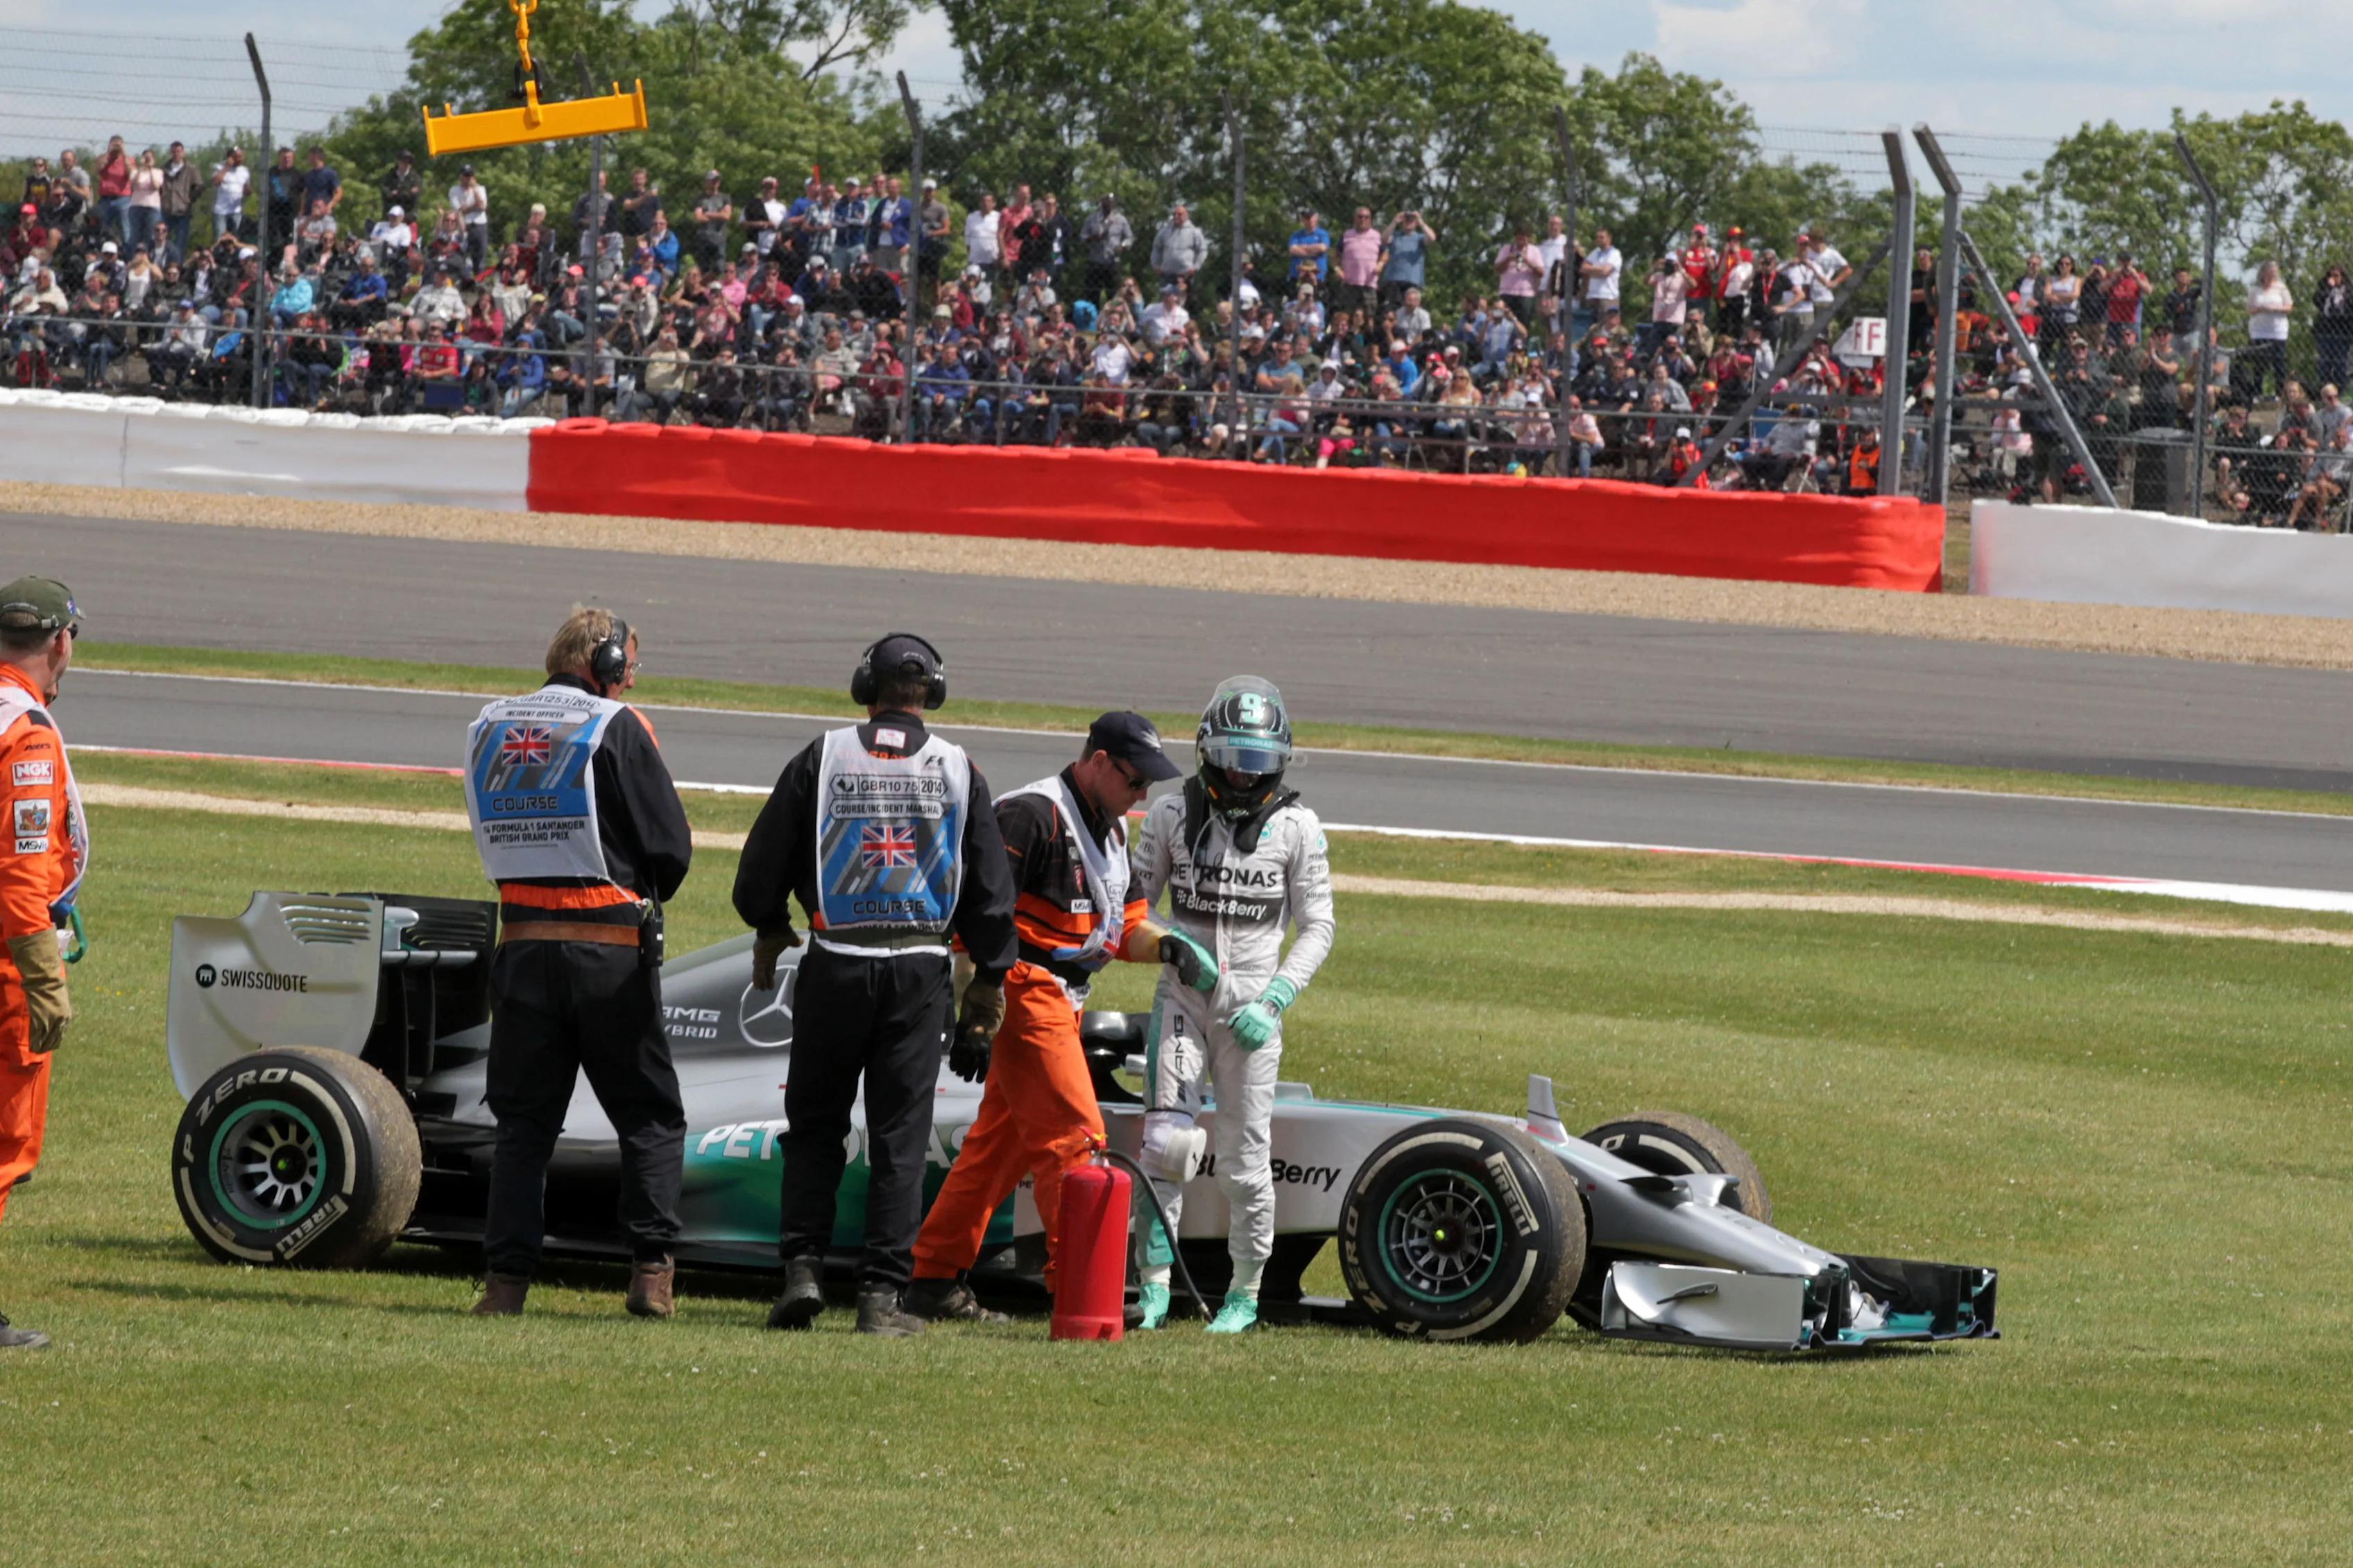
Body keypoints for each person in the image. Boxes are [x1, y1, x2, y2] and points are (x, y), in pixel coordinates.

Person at [733, 635, 1018, 1338]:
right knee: (898, 1137)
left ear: (866, 684)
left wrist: (770, 924)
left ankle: (802, 1269)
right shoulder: (958, 767)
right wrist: (986, 980)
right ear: (934, 693)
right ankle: (880, 1297)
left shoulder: (822, 755)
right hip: (918, 969)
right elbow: (990, 890)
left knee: (815, 1127)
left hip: (833, 958)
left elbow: (761, 861)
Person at [904, 714, 1212, 1321]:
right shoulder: (1030, 814)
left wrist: (1166, 944)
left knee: (1001, 1148)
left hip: (1062, 998)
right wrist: (975, 1012)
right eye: (1133, 780)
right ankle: (1078, 1289)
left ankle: (932, 1276)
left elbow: (1124, 926)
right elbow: (975, 914)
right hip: (1023, 989)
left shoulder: (1114, 829)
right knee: (1077, 1138)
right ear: (1097, 761)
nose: (1142, 794)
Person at [463, 608, 694, 1320]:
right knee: (649, 1116)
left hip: (521, 944)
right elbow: (669, 846)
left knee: (523, 1125)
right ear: (611, 662)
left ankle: (505, 1284)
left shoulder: (488, 724)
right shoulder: (614, 725)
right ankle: (652, 1270)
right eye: (630, 666)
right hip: (609, 950)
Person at [1133, 677, 1335, 1333]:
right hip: (1182, 999)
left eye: (1259, 762)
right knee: (1165, 1145)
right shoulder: (1167, 814)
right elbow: (1133, 903)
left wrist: (1276, 998)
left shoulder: (1299, 827)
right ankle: (1153, 1284)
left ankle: (1245, 1294)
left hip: (1254, 1015)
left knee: (1246, 1162)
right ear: (1205, 752)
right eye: (1234, 759)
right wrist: (1169, 947)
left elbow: (1320, 926)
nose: (1246, 776)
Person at [0, 579, 87, 1352]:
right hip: (4, 960)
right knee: (5, 1141)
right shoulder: (26, 730)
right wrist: (42, 974)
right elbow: (24, 868)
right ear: (59, 642)